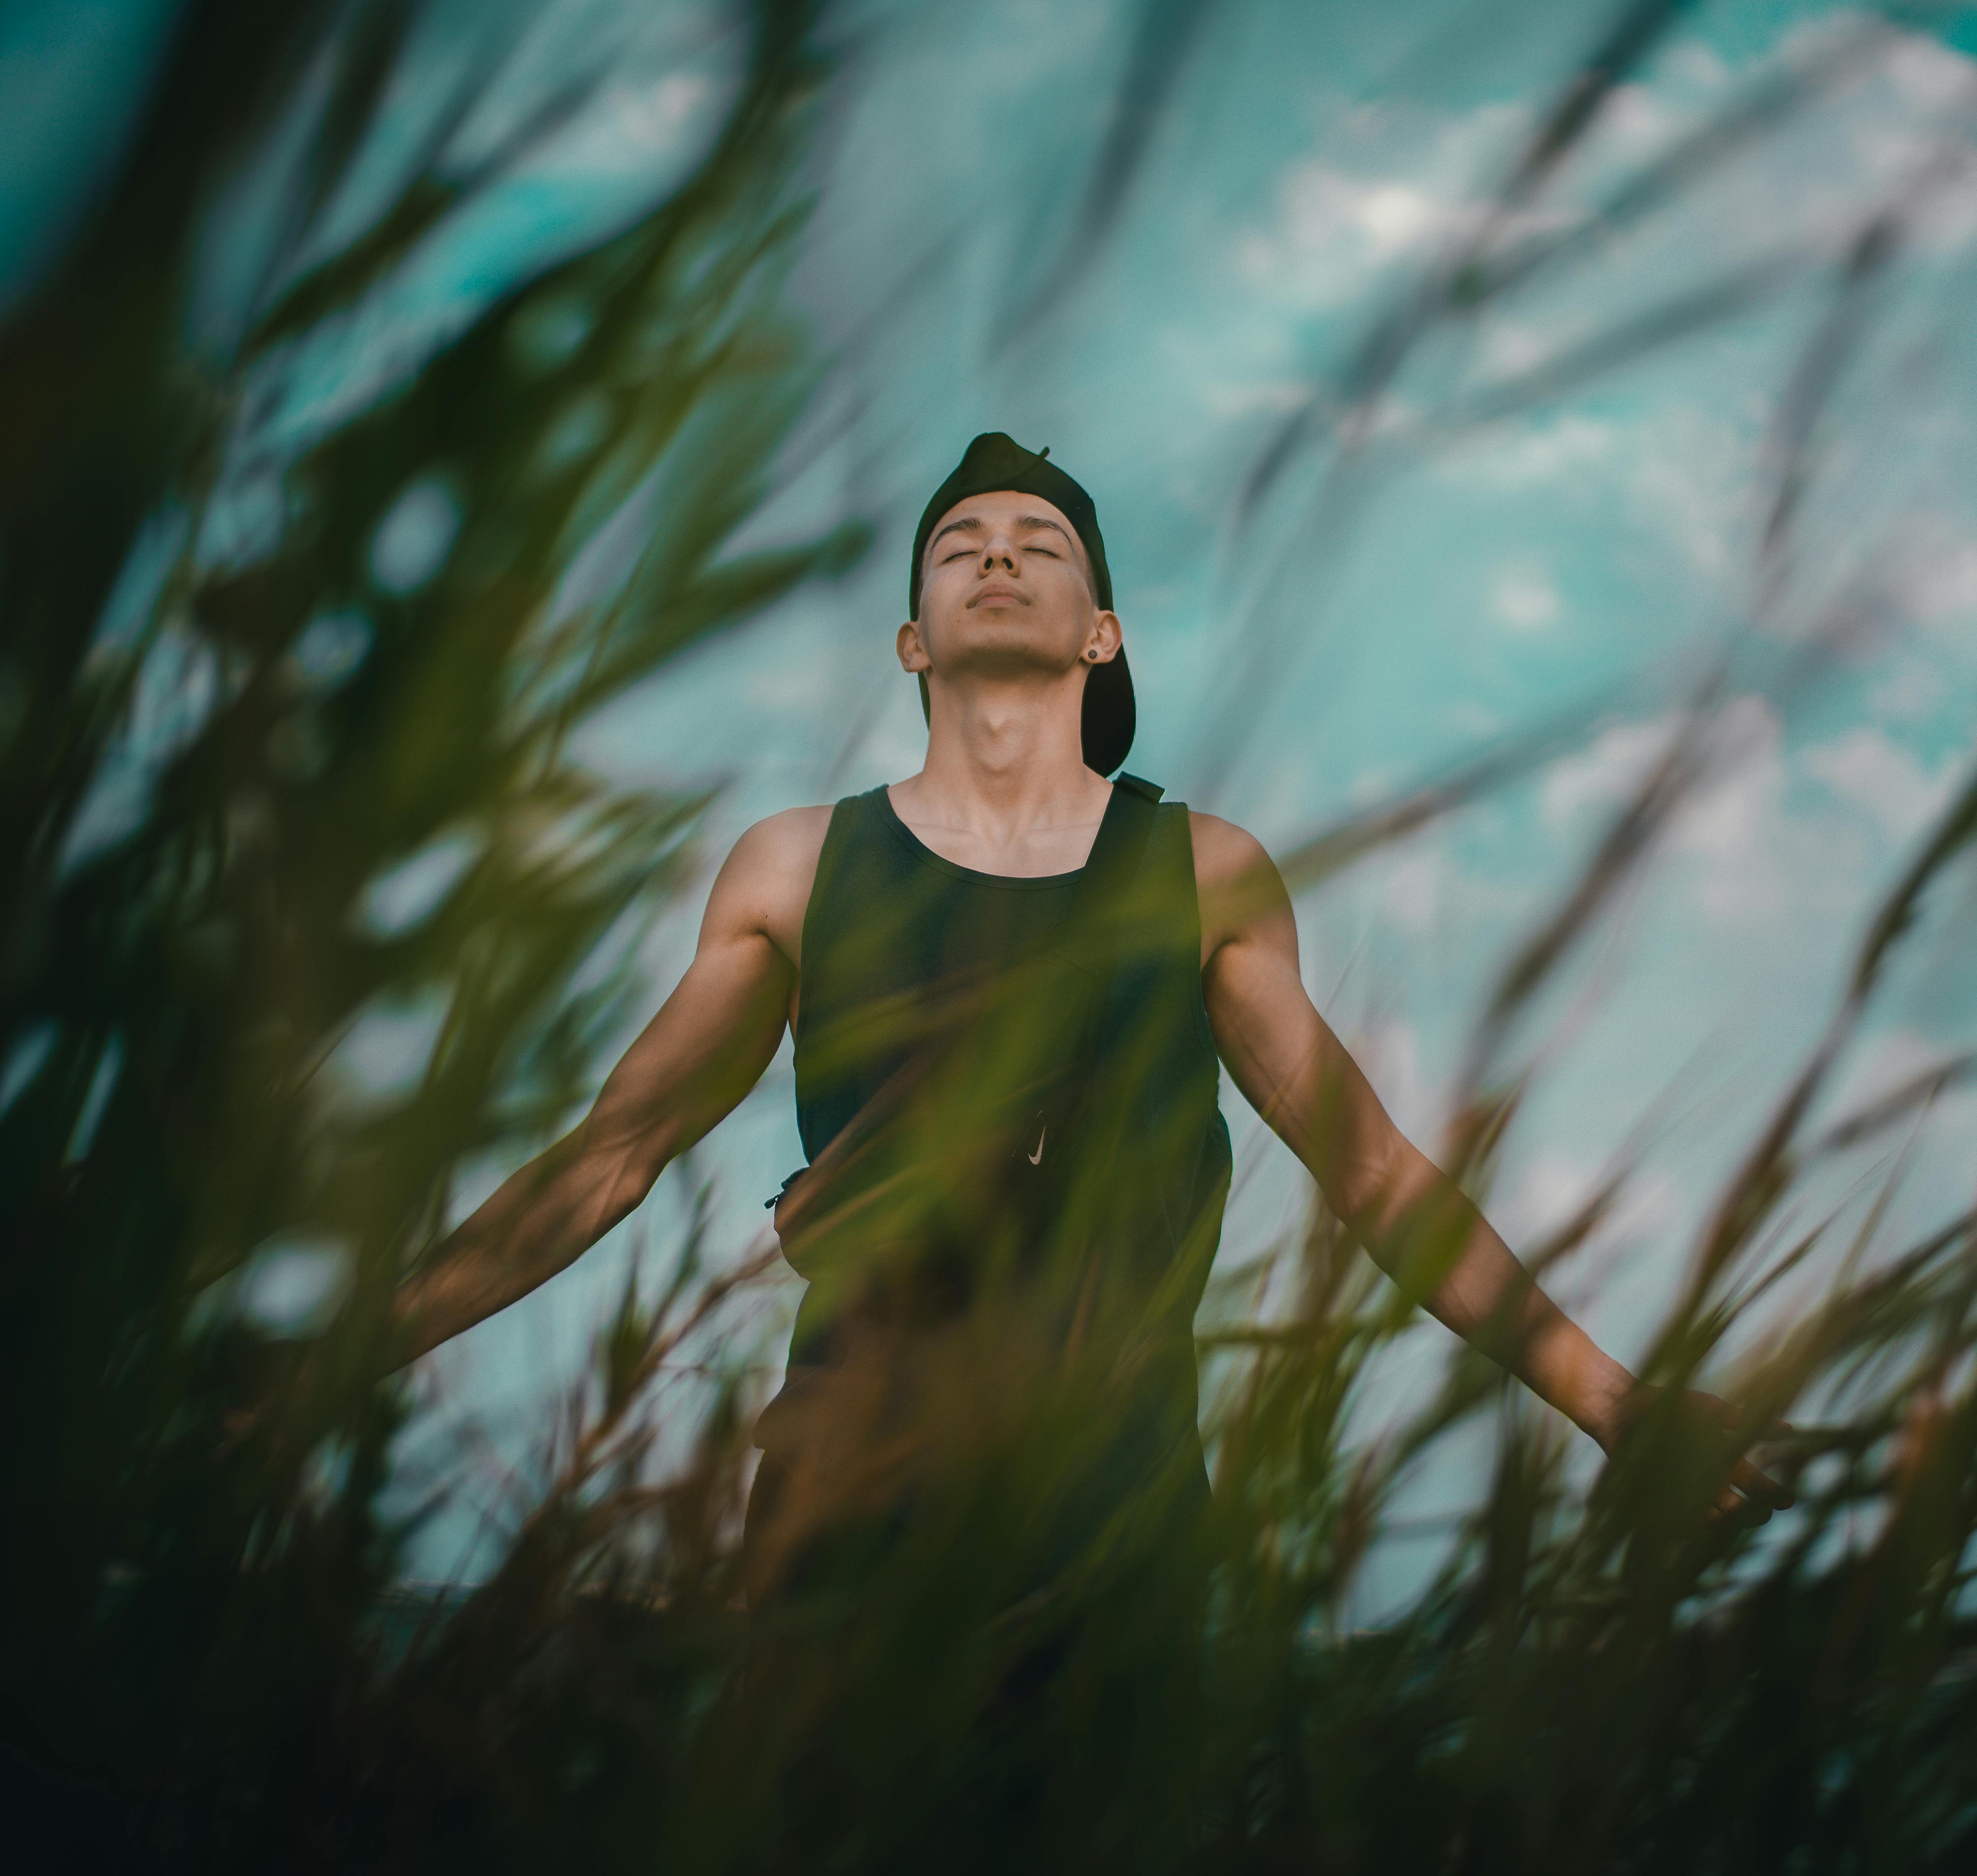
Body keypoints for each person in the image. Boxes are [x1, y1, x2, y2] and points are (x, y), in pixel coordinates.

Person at [387, 431, 1788, 1843]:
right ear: (911, 640)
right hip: (844, 1521)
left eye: (1038, 544)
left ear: (1101, 633)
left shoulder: (1201, 871)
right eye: (960, 546)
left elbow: (1372, 1174)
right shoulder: (797, 866)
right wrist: (349, 1362)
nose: (997, 555)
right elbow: (608, 1158)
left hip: (1118, 1536)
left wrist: (1611, 1400)